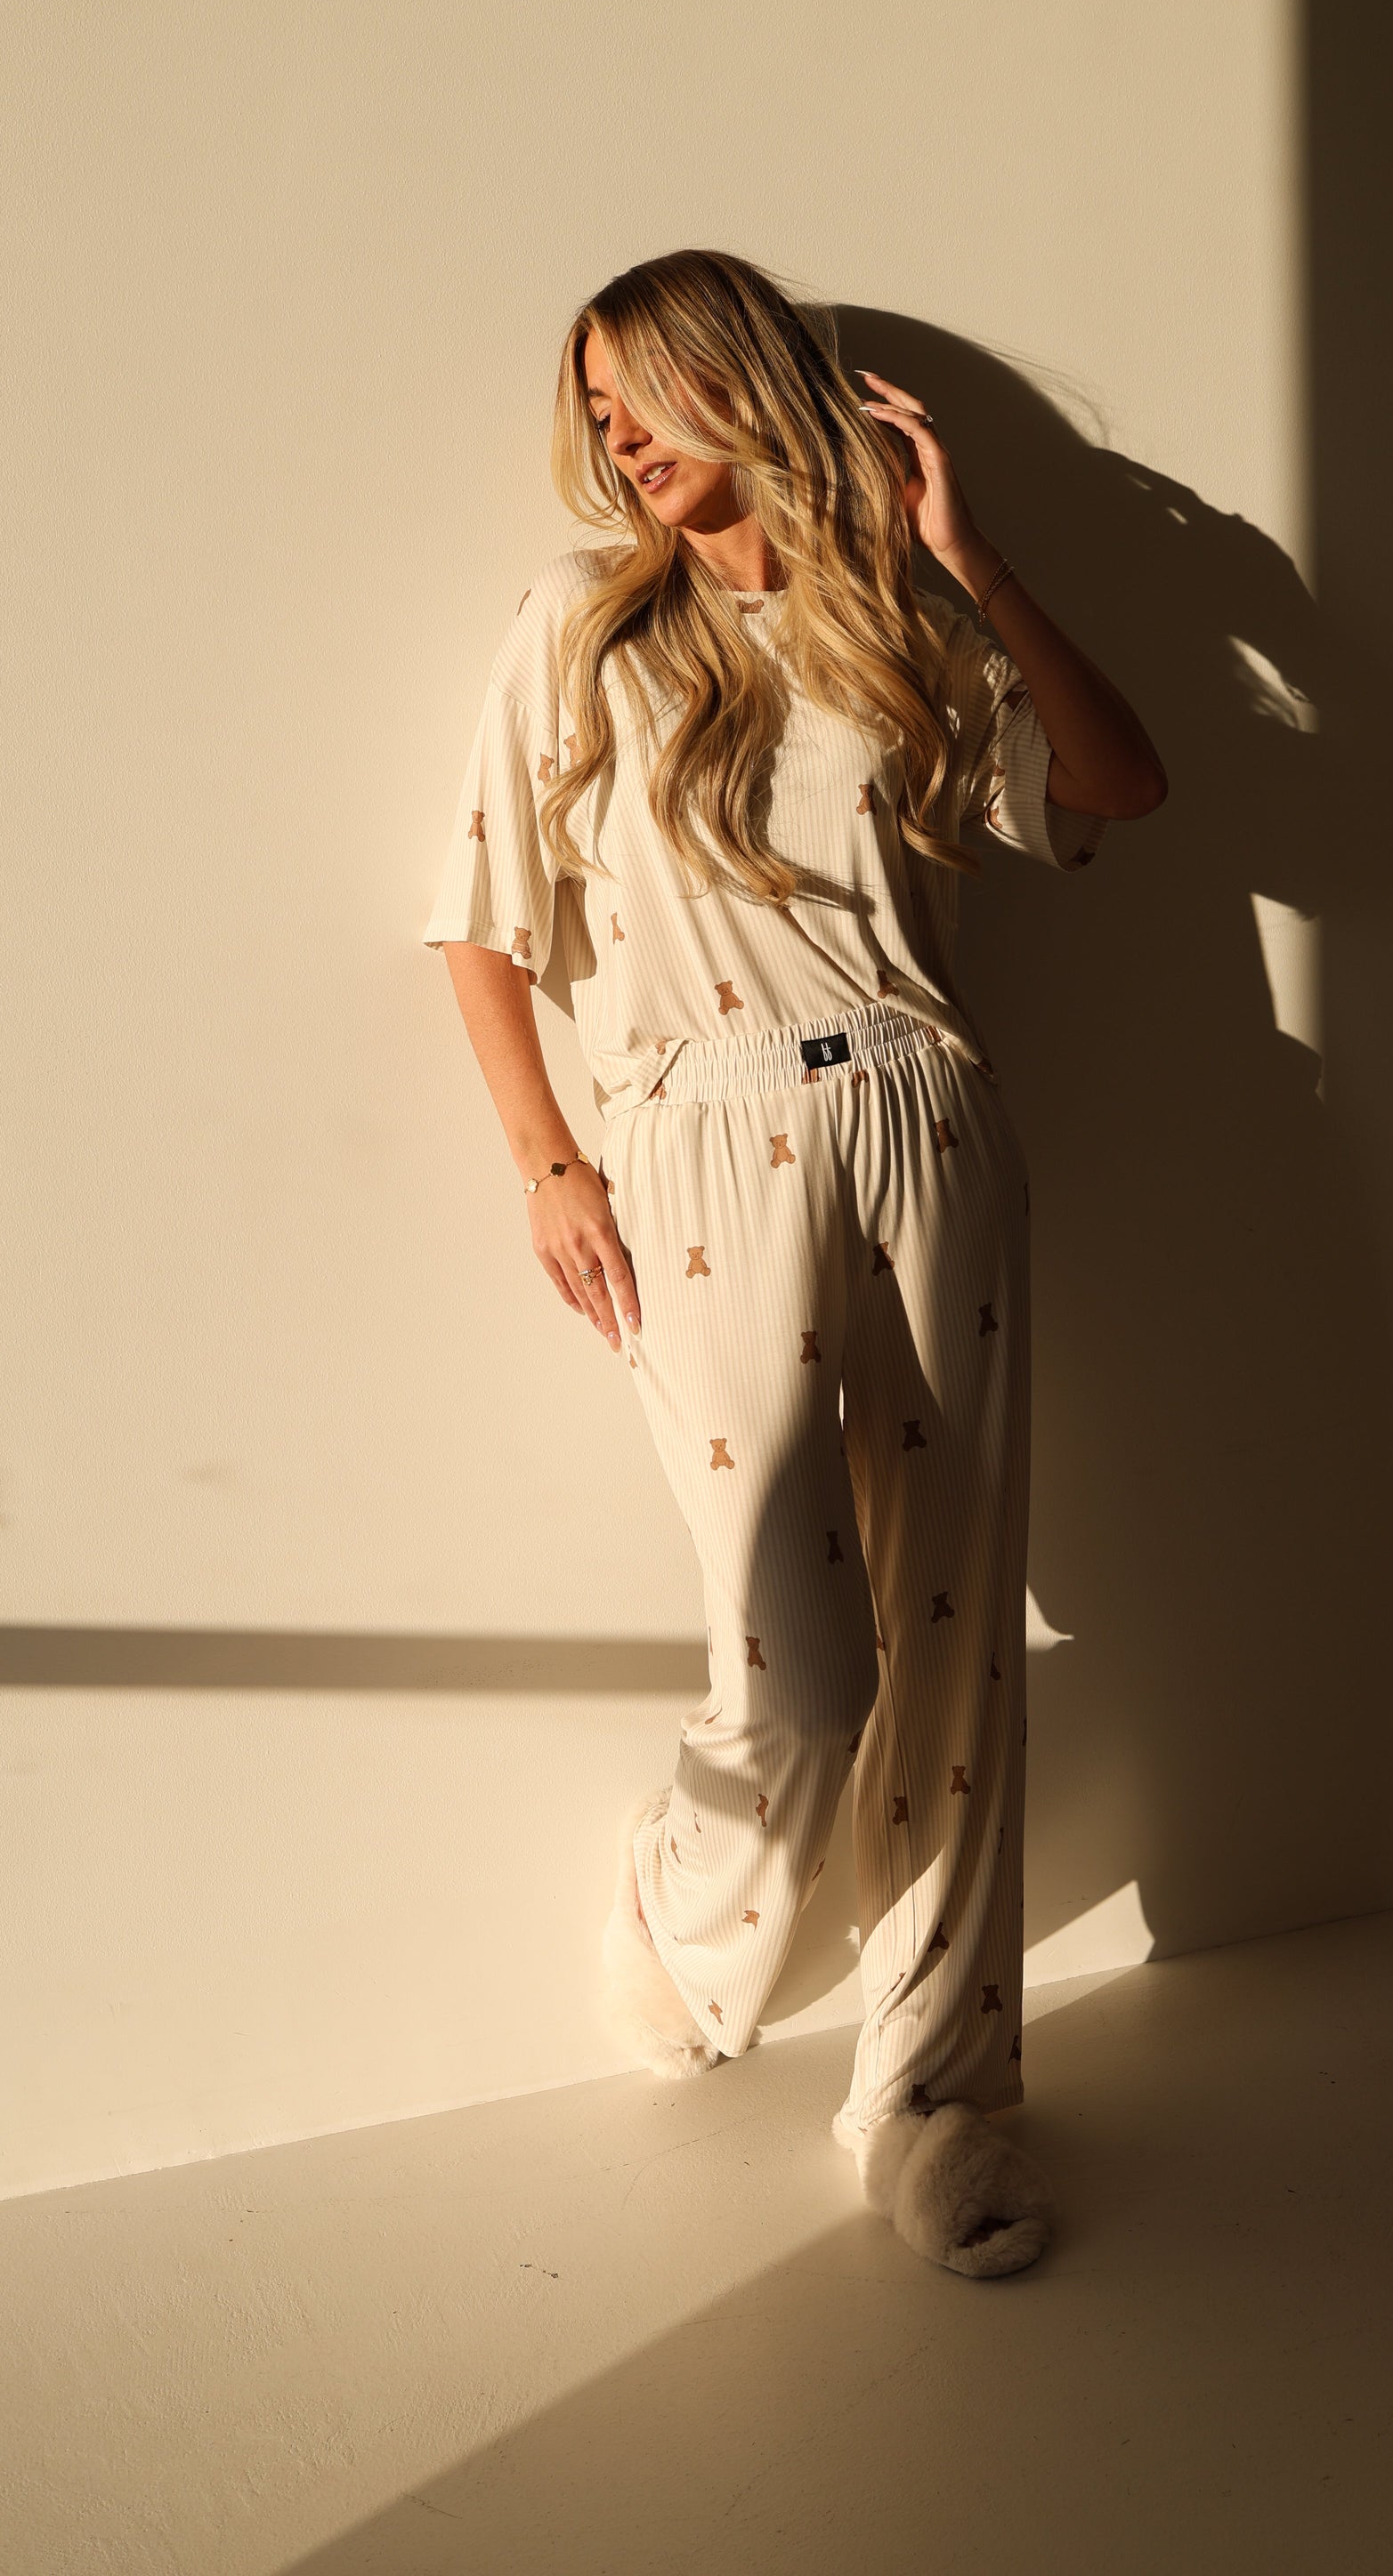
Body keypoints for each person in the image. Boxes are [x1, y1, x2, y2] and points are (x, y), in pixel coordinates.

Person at [424, 248, 1167, 2278]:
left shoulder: (897, 623)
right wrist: (546, 1162)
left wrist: (969, 557)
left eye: (644, 396)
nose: (619, 441)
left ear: (739, 376)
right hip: (692, 1136)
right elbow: (480, 921)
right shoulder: (580, 628)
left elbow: (1117, 786)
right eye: (595, 413)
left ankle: (932, 2104)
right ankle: (690, 1919)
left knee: (958, 1638)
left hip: (928, 1120)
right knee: (805, 1661)